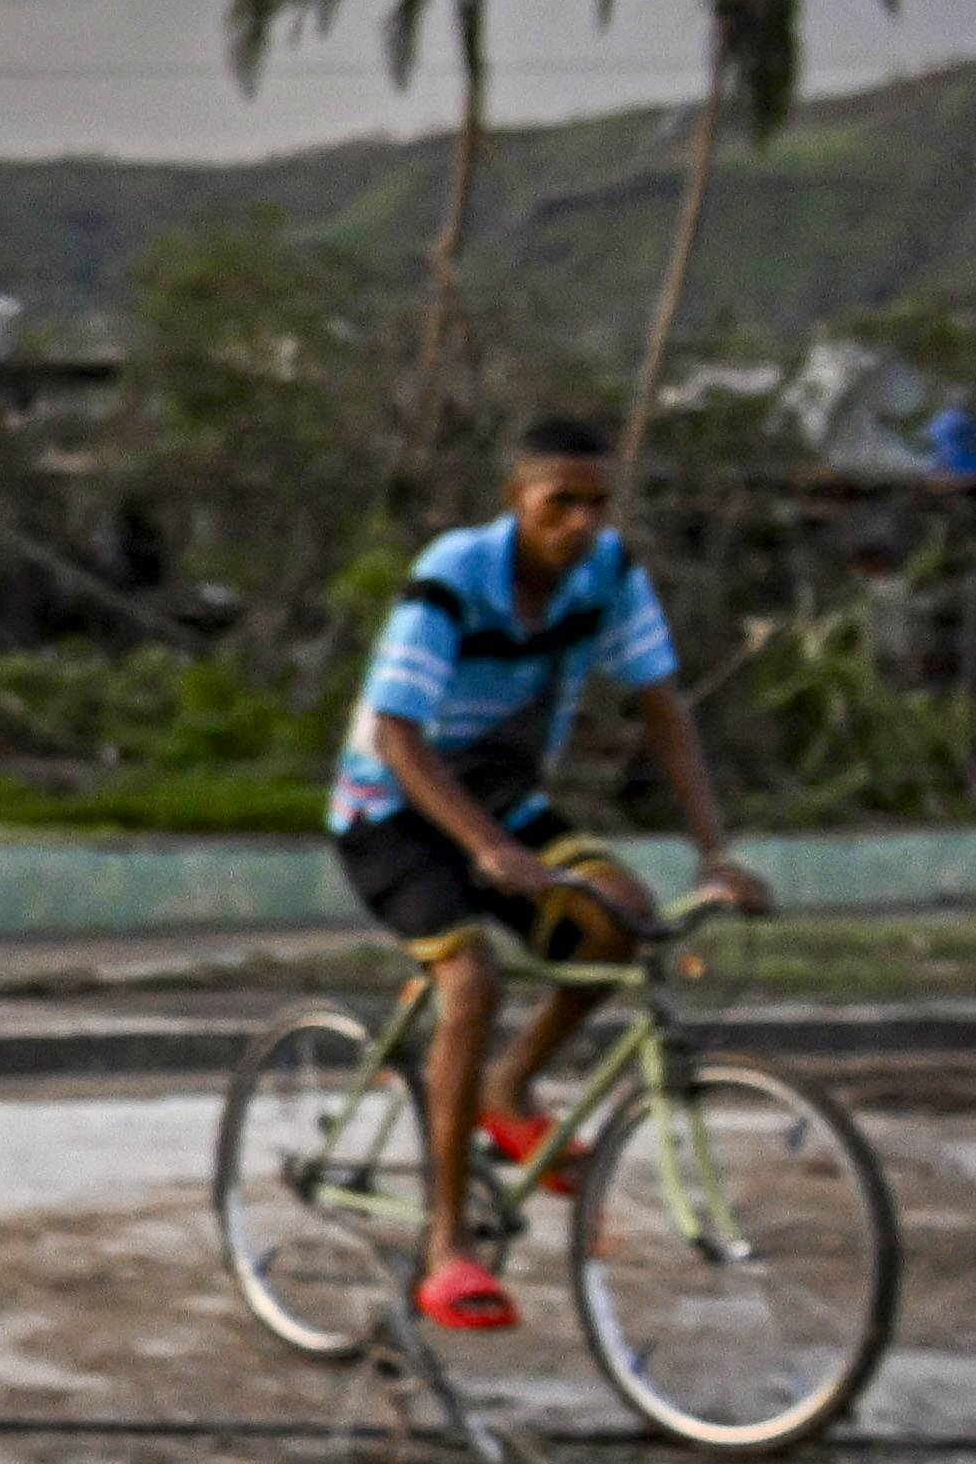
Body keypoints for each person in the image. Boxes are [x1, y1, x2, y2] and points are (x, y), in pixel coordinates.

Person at [327, 413, 773, 1332]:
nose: (580, 523)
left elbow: (663, 709)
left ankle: (507, 1088)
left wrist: (714, 850)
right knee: (471, 978)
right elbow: (399, 734)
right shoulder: (452, 577)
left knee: (622, 919)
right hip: (394, 804)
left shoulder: (608, 578)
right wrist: (486, 850)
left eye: (597, 504)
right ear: (515, 503)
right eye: (558, 503)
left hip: (498, 792)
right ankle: (446, 1247)